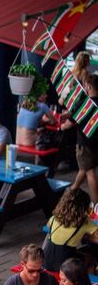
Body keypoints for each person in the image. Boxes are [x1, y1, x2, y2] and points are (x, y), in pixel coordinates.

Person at [61, 74, 98, 202]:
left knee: (90, 171)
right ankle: (73, 189)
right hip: (96, 143)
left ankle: (96, 206)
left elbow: (71, 123)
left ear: (88, 86)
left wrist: (62, 126)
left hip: (85, 143)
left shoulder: (85, 104)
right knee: (85, 167)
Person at [43, 187, 98, 272]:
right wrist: (88, 236)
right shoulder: (84, 223)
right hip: (64, 265)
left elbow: (48, 226)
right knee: (90, 258)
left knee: (80, 253)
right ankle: (84, 281)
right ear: (83, 208)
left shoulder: (55, 218)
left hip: (46, 260)